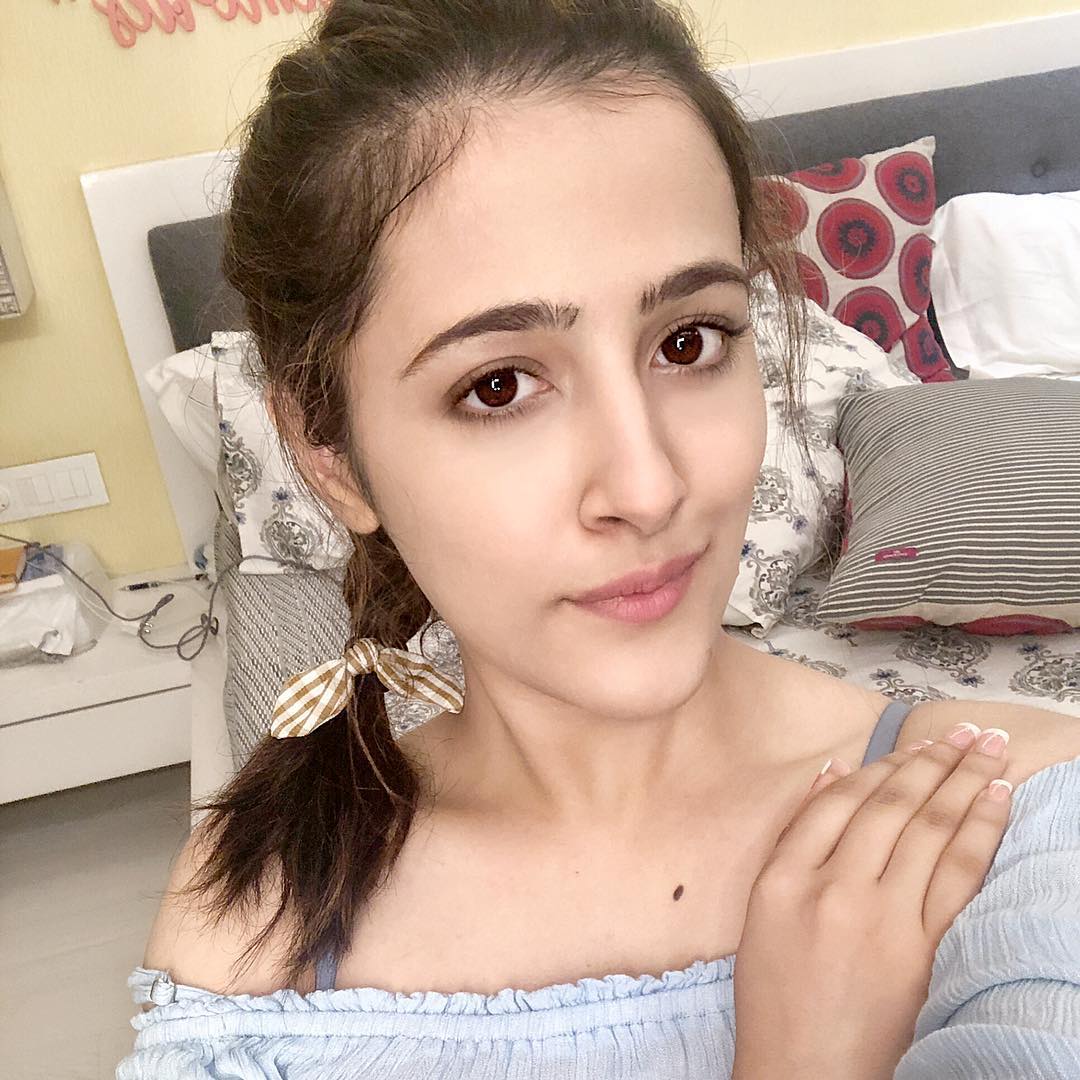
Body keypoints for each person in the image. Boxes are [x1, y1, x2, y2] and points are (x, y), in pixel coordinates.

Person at [118, 2, 1080, 1077]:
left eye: (689, 341)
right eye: (499, 386)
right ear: (331, 457)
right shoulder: (257, 912)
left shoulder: (1013, 811)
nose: (649, 487)